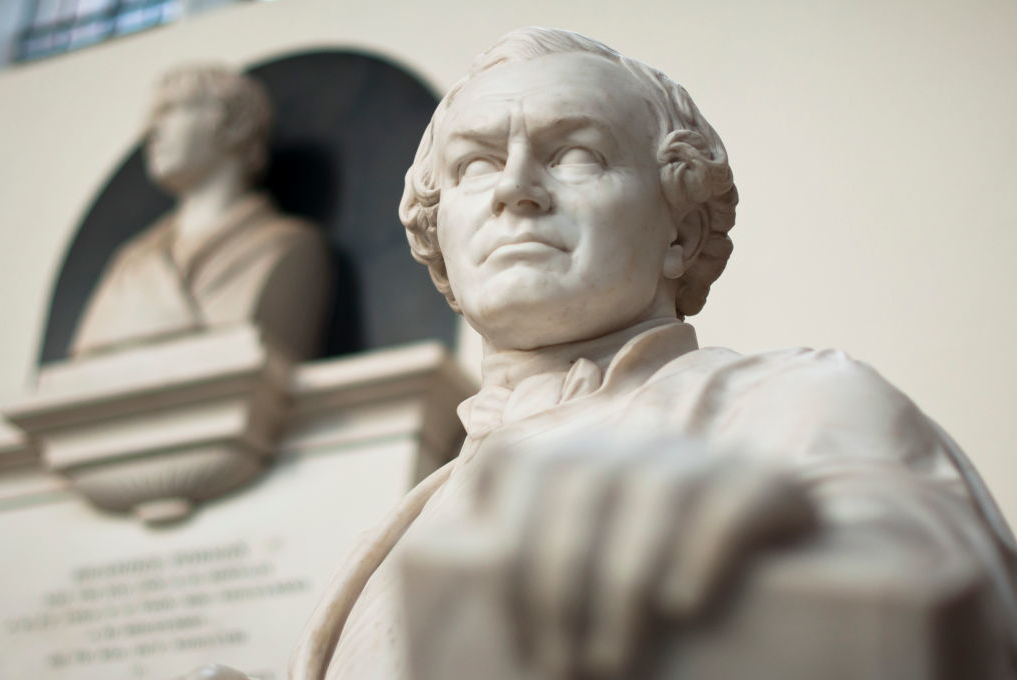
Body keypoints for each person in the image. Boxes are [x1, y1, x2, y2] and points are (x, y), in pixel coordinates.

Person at [283, 27, 1017, 679]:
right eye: (475, 165)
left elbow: (945, 619)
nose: (514, 189)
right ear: (437, 238)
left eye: (574, 153)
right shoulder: (400, 526)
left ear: (682, 231)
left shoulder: (798, 403)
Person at [70, 65, 330, 361]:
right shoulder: (129, 265)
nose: (149, 130)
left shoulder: (288, 247)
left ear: (236, 122)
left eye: (171, 109)